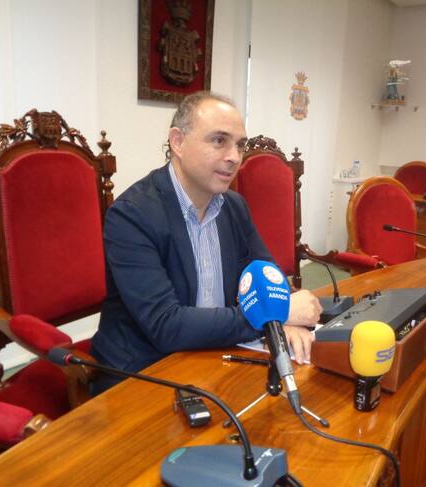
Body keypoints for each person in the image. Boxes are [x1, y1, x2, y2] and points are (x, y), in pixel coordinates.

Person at [90, 91, 322, 394]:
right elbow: (166, 325)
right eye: (219, 140)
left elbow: (266, 273)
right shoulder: (132, 215)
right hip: (144, 372)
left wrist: (283, 315)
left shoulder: (234, 206)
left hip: (215, 354)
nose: (234, 157)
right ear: (177, 142)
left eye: (240, 145)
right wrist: (276, 314)